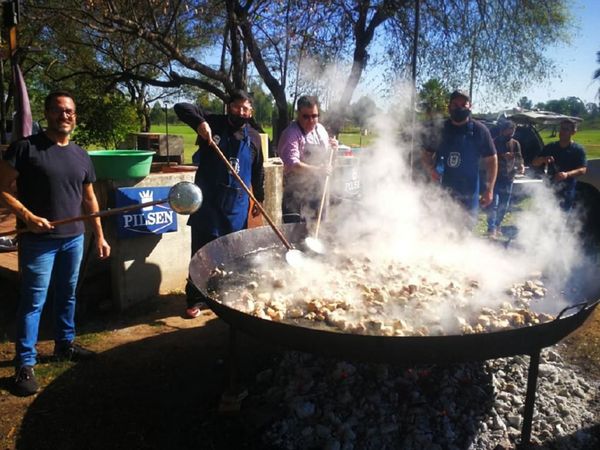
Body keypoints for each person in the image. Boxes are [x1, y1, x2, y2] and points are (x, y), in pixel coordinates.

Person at [0, 91, 111, 397]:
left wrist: (99, 235)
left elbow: (89, 199)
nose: (66, 115)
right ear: (47, 113)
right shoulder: (26, 149)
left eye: (71, 111)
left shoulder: (80, 155)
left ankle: (65, 344)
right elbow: (3, 187)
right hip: (39, 242)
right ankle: (24, 363)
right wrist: (26, 215)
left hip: (73, 239)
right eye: (60, 110)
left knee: (67, 295)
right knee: (33, 302)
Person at [174, 90, 264, 318]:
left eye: (245, 109)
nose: (241, 112)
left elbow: (257, 172)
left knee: (234, 256)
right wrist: (200, 122)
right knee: (202, 254)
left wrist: (259, 199)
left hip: (238, 206)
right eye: (236, 107)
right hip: (209, 204)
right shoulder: (213, 123)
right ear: (229, 107)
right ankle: (195, 298)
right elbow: (181, 107)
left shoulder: (253, 137)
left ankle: (228, 295)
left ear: (251, 111)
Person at [422, 90, 497, 224]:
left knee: (466, 228)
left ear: (470, 106)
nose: (459, 108)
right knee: (441, 227)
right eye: (455, 104)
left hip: (470, 191)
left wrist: (489, 189)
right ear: (449, 107)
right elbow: (427, 154)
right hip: (443, 188)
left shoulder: (480, 130)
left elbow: (492, 159)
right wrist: (430, 169)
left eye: (463, 104)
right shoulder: (440, 129)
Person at [277, 95, 336, 222]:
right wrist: (318, 170)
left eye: (314, 116)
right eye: (306, 116)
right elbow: (293, 164)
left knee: (319, 228)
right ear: (298, 114)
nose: (311, 121)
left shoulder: (320, 130)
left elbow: (326, 156)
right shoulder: (291, 133)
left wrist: (333, 148)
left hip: (319, 189)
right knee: (295, 235)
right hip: (295, 193)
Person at [531, 119, 587, 212]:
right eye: (561, 128)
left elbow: (583, 169)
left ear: (573, 132)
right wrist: (543, 159)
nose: (562, 131)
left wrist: (566, 174)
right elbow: (534, 162)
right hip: (549, 189)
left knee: (563, 218)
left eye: (566, 129)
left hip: (567, 191)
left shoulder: (578, 150)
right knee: (546, 216)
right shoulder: (550, 147)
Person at [486, 119, 524, 237]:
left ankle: (498, 225)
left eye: (513, 130)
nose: (511, 133)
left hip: (509, 178)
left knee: (505, 204)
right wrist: (502, 155)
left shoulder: (515, 143)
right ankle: (491, 228)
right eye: (509, 130)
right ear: (503, 130)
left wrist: (521, 166)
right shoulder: (494, 142)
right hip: (496, 177)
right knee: (494, 204)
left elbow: (519, 158)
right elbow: (488, 157)